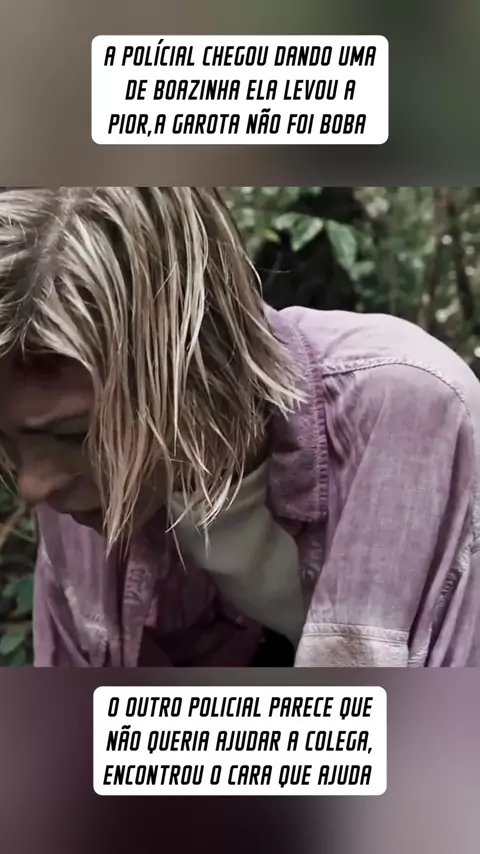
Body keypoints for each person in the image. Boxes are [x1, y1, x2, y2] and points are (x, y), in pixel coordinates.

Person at [0, 186, 478, 668]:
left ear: (192, 358)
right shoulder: (82, 484)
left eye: (75, 436)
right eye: (6, 439)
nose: (33, 486)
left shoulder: (406, 409)